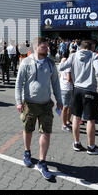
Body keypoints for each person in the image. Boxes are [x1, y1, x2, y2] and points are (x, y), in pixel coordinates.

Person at [15, 37, 62, 181]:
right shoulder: (26, 62)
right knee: (28, 129)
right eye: (44, 47)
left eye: (47, 47)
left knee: (46, 132)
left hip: (46, 104)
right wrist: (18, 101)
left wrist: (59, 100)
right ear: (36, 47)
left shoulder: (50, 63)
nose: (47, 49)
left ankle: (42, 162)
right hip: (29, 103)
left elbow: (55, 83)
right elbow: (18, 83)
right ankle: (27, 152)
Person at [58, 40, 98, 155]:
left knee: (76, 117)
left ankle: (77, 143)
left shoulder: (74, 55)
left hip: (77, 89)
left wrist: (64, 60)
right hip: (89, 90)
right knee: (90, 119)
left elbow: (61, 67)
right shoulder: (93, 55)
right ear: (90, 47)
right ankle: (91, 147)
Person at [59, 53, 73, 132]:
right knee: (66, 106)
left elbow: (60, 76)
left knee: (68, 106)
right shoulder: (68, 65)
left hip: (63, 87)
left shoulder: (61, 64)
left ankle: (67, 121)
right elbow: (69, 78)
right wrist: (74, 84)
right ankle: (64, 124)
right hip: (67, 87)